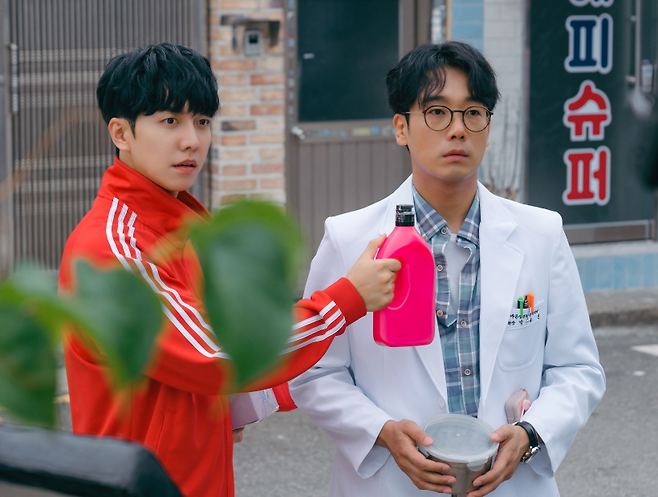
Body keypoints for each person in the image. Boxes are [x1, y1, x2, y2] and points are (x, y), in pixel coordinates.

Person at [59, 43, 400, 497]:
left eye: (202, 121)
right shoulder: (115, 248)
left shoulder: (185, 225)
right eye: (170, 121)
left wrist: (234, 406)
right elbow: (216, 354)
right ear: (121, 133)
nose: (192, 140)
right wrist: (345, 300)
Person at [289, 41, 606, 496]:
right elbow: (315, 371)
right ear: (401, 127)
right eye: (437, 112)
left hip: (509, 484)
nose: (457, 130)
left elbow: (577, 367)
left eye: (473, 113)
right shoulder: (350, 239)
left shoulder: (541, 233)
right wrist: (381, 431)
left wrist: (531, 435)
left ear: (488, 129)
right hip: (393, 484)